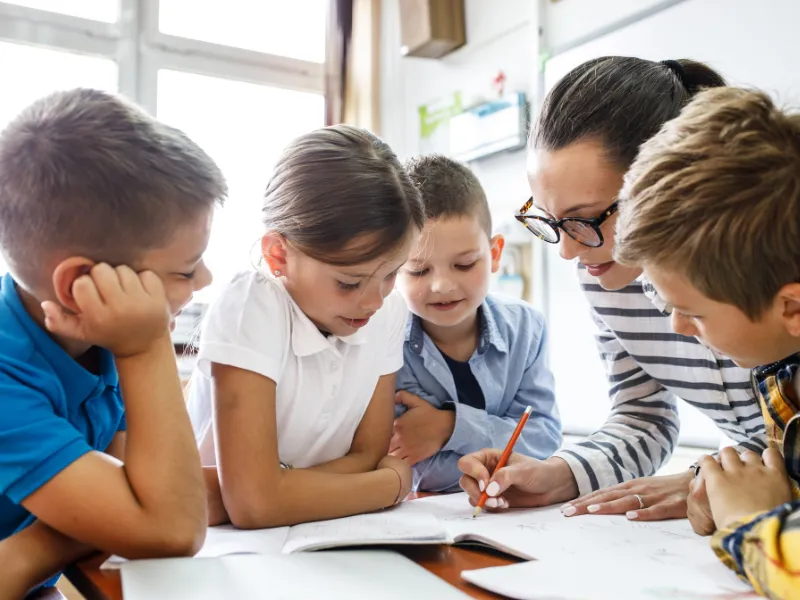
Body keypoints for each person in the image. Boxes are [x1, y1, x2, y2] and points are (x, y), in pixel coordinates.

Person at [458, 57, 765, 529]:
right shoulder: (602, 272)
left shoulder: (772, 264)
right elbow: (643, 414)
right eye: (550, 220)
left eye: (584, 219)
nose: (567, 252)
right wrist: (559, 474)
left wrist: (709, 476)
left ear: (666, 183)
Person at [0, 88, 226, 597]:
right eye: (186, 269)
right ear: (81, 284)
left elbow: (147, 497)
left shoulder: (94, 342)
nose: (207, 279)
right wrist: (145, 349)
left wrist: (28, 552)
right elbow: (171, 528)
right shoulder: (11, 371)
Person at [188, 125, 425, 528]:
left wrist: (270, 489)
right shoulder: (252, 304)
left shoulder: (388, 311)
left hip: (317, 537)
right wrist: (390, 485)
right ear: (278, 254)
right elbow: (254, 505)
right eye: (349, 282)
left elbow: (367, 454)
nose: (373, 300)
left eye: (391, 275)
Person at [614, 86, 800, 598]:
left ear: (792, 310)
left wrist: (748, 517)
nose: (676, 326)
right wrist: (729, 485)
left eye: (692, 312)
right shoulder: (782, 370)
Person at [391, 155, 562, 493]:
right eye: (419, 270)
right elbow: (408, 459)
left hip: (511, 511)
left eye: (465, 264)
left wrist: (451, 427)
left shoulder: (526, 328)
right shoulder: (386, 340)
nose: (442, 286)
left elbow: (543, 439)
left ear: (495, 253)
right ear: (392, 267)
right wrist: (499, 447)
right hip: (427, 514)